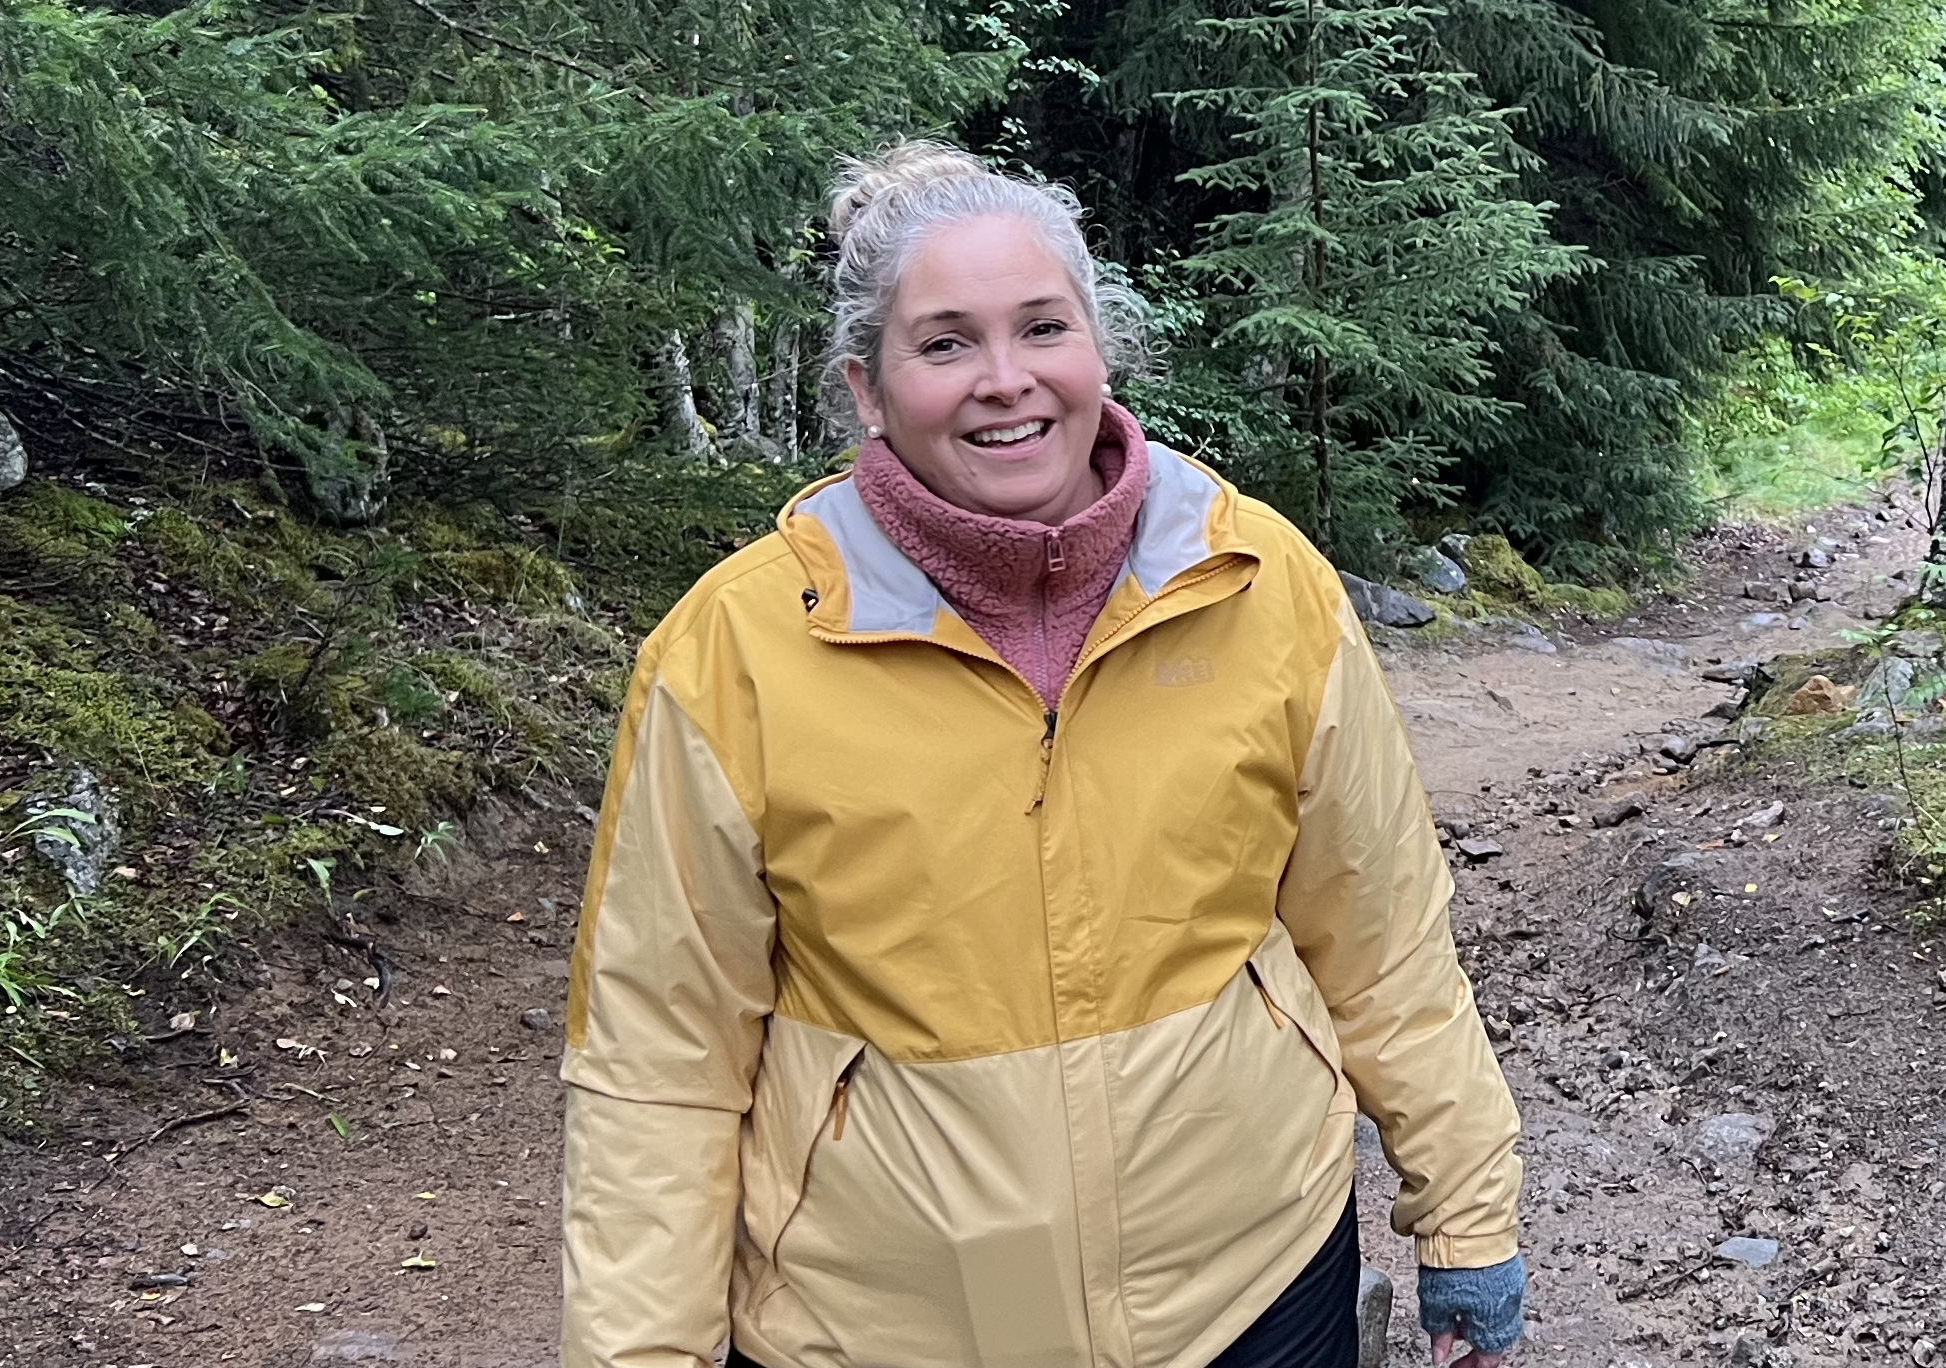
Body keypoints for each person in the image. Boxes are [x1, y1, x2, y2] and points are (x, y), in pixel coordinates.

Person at [560, 143, 1525, 1368]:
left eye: (1041, 327)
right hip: (874, 1328)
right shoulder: (731, 653)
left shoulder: (1260, 580)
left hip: (1252, 1294)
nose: (1004, 381)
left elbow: (1382, 936)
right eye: (945, 342)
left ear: (1098, 347)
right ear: (867, 387)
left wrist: (1467, 1215)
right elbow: (659, 1063)